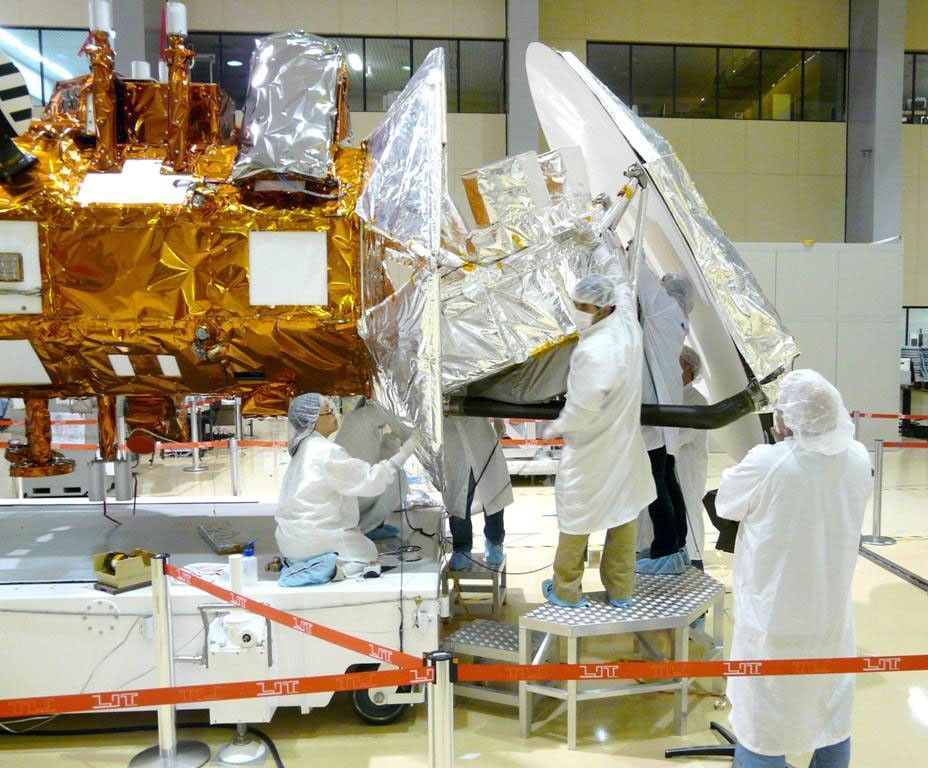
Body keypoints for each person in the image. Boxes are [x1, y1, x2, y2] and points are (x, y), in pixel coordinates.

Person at [716, 369, 871, 768]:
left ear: (788, 418)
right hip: (831, 619)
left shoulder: (769, 463)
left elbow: (725, 504)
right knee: (831, 713)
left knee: (763, 722)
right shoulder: (857, 457)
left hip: (773, 623)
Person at [543, 273, 656, 608]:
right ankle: (621, 591)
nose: (578, 311)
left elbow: (583, 406)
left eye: (584, 306)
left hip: (591, 452)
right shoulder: (627, 328)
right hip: (624, 448)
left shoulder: (593, 351)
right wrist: (598, 242)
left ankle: (566, 590)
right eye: (576, 304)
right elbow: (622, 283)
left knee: (577, 518)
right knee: (622, 514)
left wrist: (555, 428)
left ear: (604, 309)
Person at [275, 393, 417, 579]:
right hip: (314, 536)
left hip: (289, 540)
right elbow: (370, 481)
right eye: (328, 412)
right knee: (368, 554)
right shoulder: (325, 451)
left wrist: (390, 443)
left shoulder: (304, 449)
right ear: (312, 421)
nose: (335, 414)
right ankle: (327, 571)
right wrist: (404, 453)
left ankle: (303, 562)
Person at [635, 266, 694, 575]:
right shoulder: (675, 317)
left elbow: (639, 278)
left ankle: (665, 549)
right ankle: (676, 545)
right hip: (664, 408)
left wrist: (626, 247)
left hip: (656, 411)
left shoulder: (663, 309)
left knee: (658, 480)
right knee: (667, 477)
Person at [443, 415, 513, 570]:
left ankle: (494, 542)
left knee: (493, 493)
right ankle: (462, 549)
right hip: (451, 437)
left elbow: (488, 392)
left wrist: (498, 417)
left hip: (480, 434)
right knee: (457, 500)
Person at [335, 397, 410, 540]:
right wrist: (409, 436)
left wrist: (393, 439)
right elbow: (389, 415)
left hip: (357, 491)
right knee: (396, 478)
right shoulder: (361, 418)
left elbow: (383, 456)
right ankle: (367, 527)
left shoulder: (367, 428)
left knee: (391, 476)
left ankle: (372, 525)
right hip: (353, 494)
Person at [677, 346, 709, 568]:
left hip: (687, 470)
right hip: (666, 469)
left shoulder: (696, 401)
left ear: (688, 367)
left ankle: (694, 566)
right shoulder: (668, 396)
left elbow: (682, 435)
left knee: (688, 514)